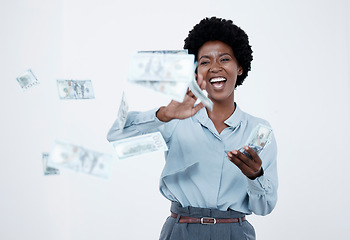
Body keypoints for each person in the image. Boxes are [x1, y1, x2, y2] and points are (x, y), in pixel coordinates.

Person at [107, 16, 278, 240]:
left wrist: (255, 175)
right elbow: (116, 137)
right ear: (195, 72)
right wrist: (164, 115)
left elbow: (265, 207)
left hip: (235, 232)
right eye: (205, 62)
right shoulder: (174, 120)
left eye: (224, 59)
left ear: (240, 68)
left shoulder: (259, 130)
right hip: (181, 230)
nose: (215, 67)